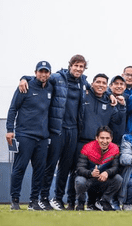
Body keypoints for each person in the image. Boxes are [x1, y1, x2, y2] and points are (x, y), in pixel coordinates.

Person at [19, 54, 89, 211]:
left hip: (74, 131)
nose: (78, 69)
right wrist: (23, 78)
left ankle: (57, 199)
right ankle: (43, 198)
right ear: (70, 66)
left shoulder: (83, 82)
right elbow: (39, 78)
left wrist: (111, 95)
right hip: (57, 130)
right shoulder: (57, 78)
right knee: (50, 165)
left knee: (66, 167)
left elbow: (100, 90)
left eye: (81, 66)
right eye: (76, 65)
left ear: (84, 69)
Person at [69, 73, 126, 209]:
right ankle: (73, 202)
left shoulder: (109, 100)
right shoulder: (86, 94)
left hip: (101, 144)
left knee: (102, 174)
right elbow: (83, 79)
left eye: (104, 83)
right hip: (82, 142)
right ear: (92, 83)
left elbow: (117, 120)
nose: (100, 85)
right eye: (98, 82)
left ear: (107, 86)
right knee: (76, 173)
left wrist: (122, 106)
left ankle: (95, 203)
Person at [6, 61, 53, 210]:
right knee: (19, 168)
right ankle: (15, 200)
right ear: (35, 72)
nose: (43, 74)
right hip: (24, 135)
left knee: (39, 171)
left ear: (49, 74)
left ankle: (33, 202)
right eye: (41, 71)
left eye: (46, 72)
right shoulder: (24, 87)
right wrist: (9, 129)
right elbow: (13, 109)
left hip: (43, 137)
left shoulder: (51, 88)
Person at [74, 126, 122, 211]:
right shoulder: (87, 148)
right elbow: (79, 168)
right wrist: (91, 173)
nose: (104, 141)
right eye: (102, 138)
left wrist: (107, 172)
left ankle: (104, 202)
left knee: (118, 179)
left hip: (104, 180)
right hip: (89, 180)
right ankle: (81, 204)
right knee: (79, 180)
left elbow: (116, 168)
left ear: (111, 139)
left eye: (107, 138)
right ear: (97, 138)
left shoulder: (115, 149)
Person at [109, 75, 128, 145]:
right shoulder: (105, 97)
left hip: (121, 139)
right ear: (110, 86)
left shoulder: (127, 99)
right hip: (106, 139)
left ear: (125, 87)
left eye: (121, 84)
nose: (119, 86)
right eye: (116, 83)